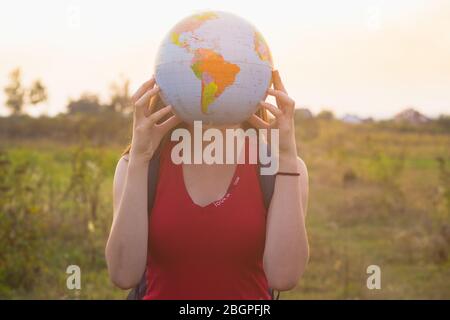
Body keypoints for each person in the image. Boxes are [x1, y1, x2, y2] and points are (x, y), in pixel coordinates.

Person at [105, 70, 309, 299]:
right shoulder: (140, 166)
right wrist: (139, 160)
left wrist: (287, 157)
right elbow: (123, 275)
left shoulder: (283, 168)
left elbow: (284, 277)